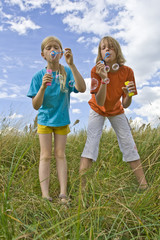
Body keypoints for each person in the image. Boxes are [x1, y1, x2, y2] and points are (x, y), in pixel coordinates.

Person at [79, 36, 148, 190]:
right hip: (97, 109)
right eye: (103, 48)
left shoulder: (127, 72)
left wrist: (128, 95)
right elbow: (101, 101)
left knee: (129, 144)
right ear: (100, 53)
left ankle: (144, 187)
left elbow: (126, 104)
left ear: (117, 50)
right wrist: (104, 78)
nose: (107, 50)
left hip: (117, 110)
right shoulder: (95, 71)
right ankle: (82, 191)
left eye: (110, 47)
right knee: (91, 145)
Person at [27, 36, 86, 203]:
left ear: (61, 53)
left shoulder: (66, 72)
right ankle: (45, 195)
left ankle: (63, 194)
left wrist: (72, 64)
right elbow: (36, 106)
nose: (52, 50)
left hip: (62, 120)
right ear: (43, 54)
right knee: (45, 156)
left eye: (56, 47)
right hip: (45, 120)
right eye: (48, 48)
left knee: (60, 155)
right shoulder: (38, 76)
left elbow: (81, 88)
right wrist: (43, 87)